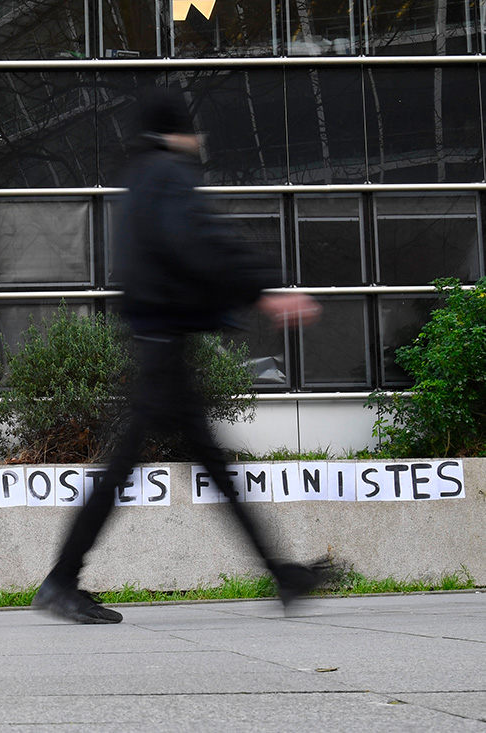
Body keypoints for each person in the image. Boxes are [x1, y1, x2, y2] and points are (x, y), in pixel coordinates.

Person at [31, 86, 331, 624]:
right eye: (194, 131)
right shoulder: (167, 174)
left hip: (159, 339)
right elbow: (200, 241)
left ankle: (281, 573)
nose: (199, 141)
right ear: (177, 131)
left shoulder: (140, 176)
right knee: (136, 466)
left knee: (201, 464)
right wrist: (264, 290)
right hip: (163, 342)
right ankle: (60, 580)